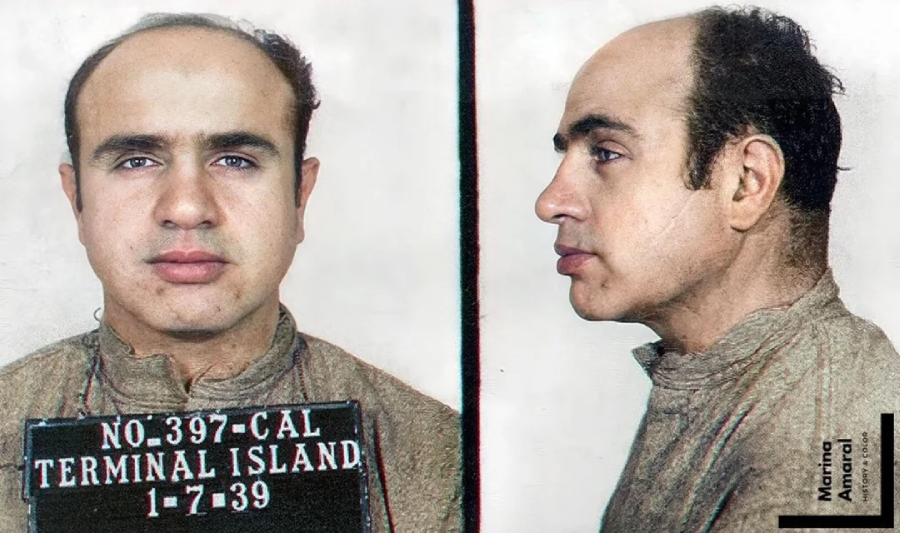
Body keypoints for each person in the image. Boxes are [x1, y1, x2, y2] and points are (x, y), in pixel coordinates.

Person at [0, 13, 459, 532]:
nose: (188, 207)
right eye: (136, 160)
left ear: (299, 197)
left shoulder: (445, 460)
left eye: (236, 159)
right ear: (76, 200)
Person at [536, 5, 899, 532]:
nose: (551, 202)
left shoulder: (827, 442)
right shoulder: (738, 379)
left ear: (746, 182)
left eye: (607, 153)